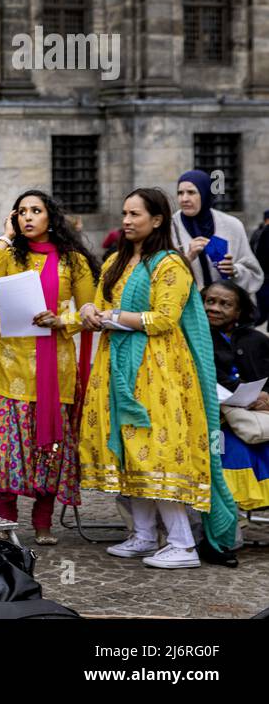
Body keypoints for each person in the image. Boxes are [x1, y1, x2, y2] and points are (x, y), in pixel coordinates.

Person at [78, 188, 238, 568]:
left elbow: (163, 319)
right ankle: (145, 535)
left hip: (158, 368)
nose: (127, 221)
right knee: (128, 450)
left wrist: (113, 317)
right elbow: (100, 305)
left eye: (135, 214)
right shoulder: (117, 260)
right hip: (116, 364)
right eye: (124, 213)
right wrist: (87, 310)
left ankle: (182, 544)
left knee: (156, 451)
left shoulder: (170, 264)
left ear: (157, 219)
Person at [0, 190, 99, 544]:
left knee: (50, 448)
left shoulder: (73, 262)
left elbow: (91, 313)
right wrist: (6, 237)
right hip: (6, 366)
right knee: (8, 448)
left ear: (50, 217)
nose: (27, 217)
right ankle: (4, 519)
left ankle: (43, 522)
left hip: (53, 370)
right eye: (21, 212)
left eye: (36, 211)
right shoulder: (11, 254)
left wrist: (62, 320)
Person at [203, 280, 269, 512]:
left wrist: (265, 397)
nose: (214, 308)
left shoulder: (257, 340)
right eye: (209, 301)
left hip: (257, 418)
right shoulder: (196, 338)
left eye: (225, 304)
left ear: (239, 311)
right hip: (215, 421)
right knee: (230, 449)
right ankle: (229, 518)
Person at [173, 169, 264, 295]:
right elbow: (158, 277)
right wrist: (188, 258)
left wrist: (234, 270)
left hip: (225, 308)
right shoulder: (170, 227)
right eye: (180, 193)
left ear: (205, 193)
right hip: (188, 309)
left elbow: (254, 274)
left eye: (191, 192)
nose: (184, 199)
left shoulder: (232, 225)